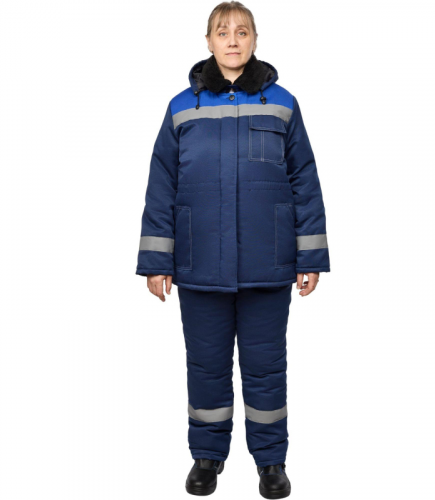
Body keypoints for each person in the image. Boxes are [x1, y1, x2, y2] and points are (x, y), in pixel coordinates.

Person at [136, 2, 330, 497]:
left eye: (242, 32)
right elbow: (161, 185)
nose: (232, 40)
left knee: (267, 368)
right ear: (208, 42)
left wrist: (310, 256)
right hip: (199, 263)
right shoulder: (182, 107)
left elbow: (305, 181)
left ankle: (271, 462)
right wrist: (157, 261)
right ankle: (207, 457)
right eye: (222, 32)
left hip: (268, 263)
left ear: (255, 40)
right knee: (206, 367)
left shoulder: (282, 103)